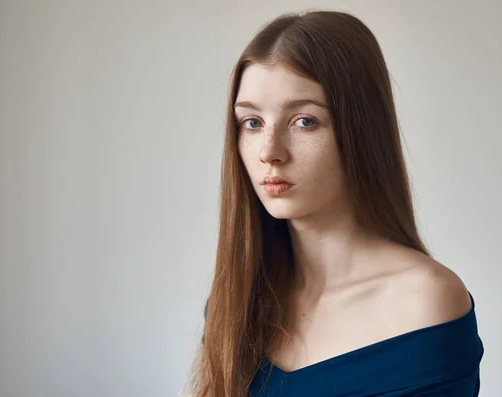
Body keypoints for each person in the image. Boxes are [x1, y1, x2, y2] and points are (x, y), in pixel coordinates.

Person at [185, 10, 484, 397]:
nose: (269, 152)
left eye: (304, 121)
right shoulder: (238, 299)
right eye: (252, 123)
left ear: (360, 130)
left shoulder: (424, 302)